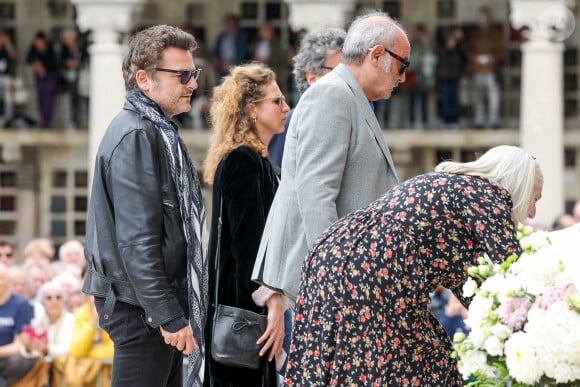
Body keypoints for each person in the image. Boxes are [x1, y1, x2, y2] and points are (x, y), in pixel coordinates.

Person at [285, 145, 543, 385]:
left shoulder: (455, 188)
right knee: (428, 364)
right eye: (535, 198)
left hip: (331, 254)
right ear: (519, 186)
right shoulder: (489, 196)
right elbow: (513, 276)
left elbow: (471, 283)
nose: (532, 213)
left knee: (343, 361)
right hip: (372, 265)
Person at [82, 25, 208, 387]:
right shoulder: (137, 133)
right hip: (142, 310)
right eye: (182, 75)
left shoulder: (155, 130)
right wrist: (168, 315)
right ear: (144, 79)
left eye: (194, 73)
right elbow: (137, 241)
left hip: (149, 305)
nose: (193, 84)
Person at [252, 11, 407, 302]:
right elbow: (316, 195)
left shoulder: (347, 94)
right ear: (376, 55)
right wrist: (337, 279)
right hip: (326, 283)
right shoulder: (332, 94)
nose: (403, 77)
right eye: (402, 64)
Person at [202, 62, 288, 386]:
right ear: (253, 110)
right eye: (276, 101)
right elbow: (247, 244)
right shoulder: (243, 160)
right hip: (243, 313)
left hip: (245, 310)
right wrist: (273, 299)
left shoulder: (255, 161)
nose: (285, 108)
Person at [268, 26, 346, 172]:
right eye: (339, 71)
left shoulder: (349, 119)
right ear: (312, 78)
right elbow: (278, 181)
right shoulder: (289, 123)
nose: (348, 79)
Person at [0, 263, 40, 387]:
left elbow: (19, 344)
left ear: (8, 282)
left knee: (18, 360)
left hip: (8, 358)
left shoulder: (21, 304)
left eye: (0, 278)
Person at [466, 6, 506, 129]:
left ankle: (494, 119)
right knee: (478, 96)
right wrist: (475, 57)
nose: (483, 21)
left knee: (494, 96)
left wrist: (494, 58)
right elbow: (468, 50)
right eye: (481, 19)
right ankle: (479, 120)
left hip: (491, 70)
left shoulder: (496, 33)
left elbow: (502, 50)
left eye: (485, 19)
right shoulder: (474, 34)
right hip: (478, 69)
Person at [405, 23, 436, 129]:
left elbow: (431, 60)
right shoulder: (411, 46)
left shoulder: (428, 45)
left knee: (424, 102)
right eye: (417, 33)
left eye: (421, 33)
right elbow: (409, 62)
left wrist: (426, 44)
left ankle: (425, 122)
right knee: (411, 102)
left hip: (424, 79)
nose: (419, 36)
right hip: (412, 77)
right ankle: (411, 122)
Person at [435, 26, 467, 129]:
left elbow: (464, 55)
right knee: (445, 99)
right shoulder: (441, 48)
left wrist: (460, 39)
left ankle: (454, 121)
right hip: (443, 76)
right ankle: (446, 121)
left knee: (455, 99)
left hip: (455, 76)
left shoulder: (459, 49)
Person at [26, 31, 58, 128]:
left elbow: (55, 63)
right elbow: (28, 59)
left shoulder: (51, 48)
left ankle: (48, 122)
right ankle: (43, 121)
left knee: (48, 99)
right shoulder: (33, 48)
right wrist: (36, 64)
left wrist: (44, 68)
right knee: (41, 99)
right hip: (39, 77)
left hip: (50, 76)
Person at [212, 14, 248, 84]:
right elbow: (215, 52)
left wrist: (232, 62)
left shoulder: (242, 37)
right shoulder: (221, 36)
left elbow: (243, 53)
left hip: (236, 67)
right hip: (222, 68)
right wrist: (218, 61)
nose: (230, 25)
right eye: (228, 23)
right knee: (219, 86)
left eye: (233, 23)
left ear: (236, 24)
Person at [0, 27, 17, 127]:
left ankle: (8, 121)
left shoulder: (7, 45)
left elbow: (14, 56)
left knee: (8, 100)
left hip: (6, 76)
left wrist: (7, 44)